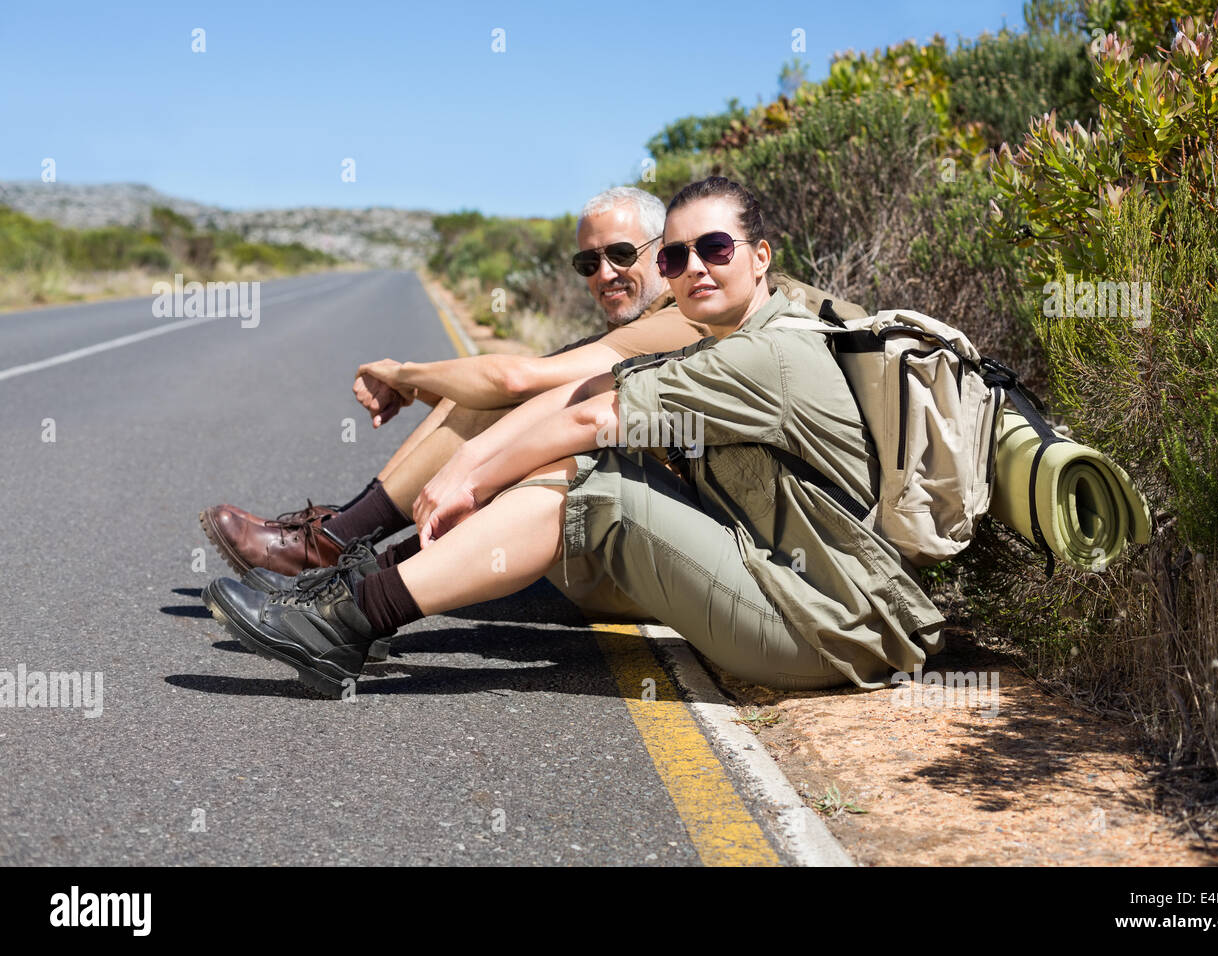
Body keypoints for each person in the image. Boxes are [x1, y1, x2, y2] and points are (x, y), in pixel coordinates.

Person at [203, 177, 946, 697]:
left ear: (761, 257)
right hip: (782, 581)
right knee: (557, 428)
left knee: (579, 476)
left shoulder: (752, 343)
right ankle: (352, 588)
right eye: (675, 258)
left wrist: (461, 457)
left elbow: (574, 407)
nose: (688, 270)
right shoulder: (725, 328)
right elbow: (569, 394)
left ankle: (347, 597)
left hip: (832, 625)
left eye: (710, 250)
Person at [199, 186, 708, 584]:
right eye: (587, 263)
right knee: (478, 393)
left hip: (662, 552)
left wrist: (403, 374)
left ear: (661, 252)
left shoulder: (679, 322)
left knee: (502, 400)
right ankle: (345, 564)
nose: (604, 273)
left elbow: (514, 379)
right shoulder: (644, 324)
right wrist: (426, 390)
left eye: (620, 254)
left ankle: (335, 554)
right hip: (629, 526)